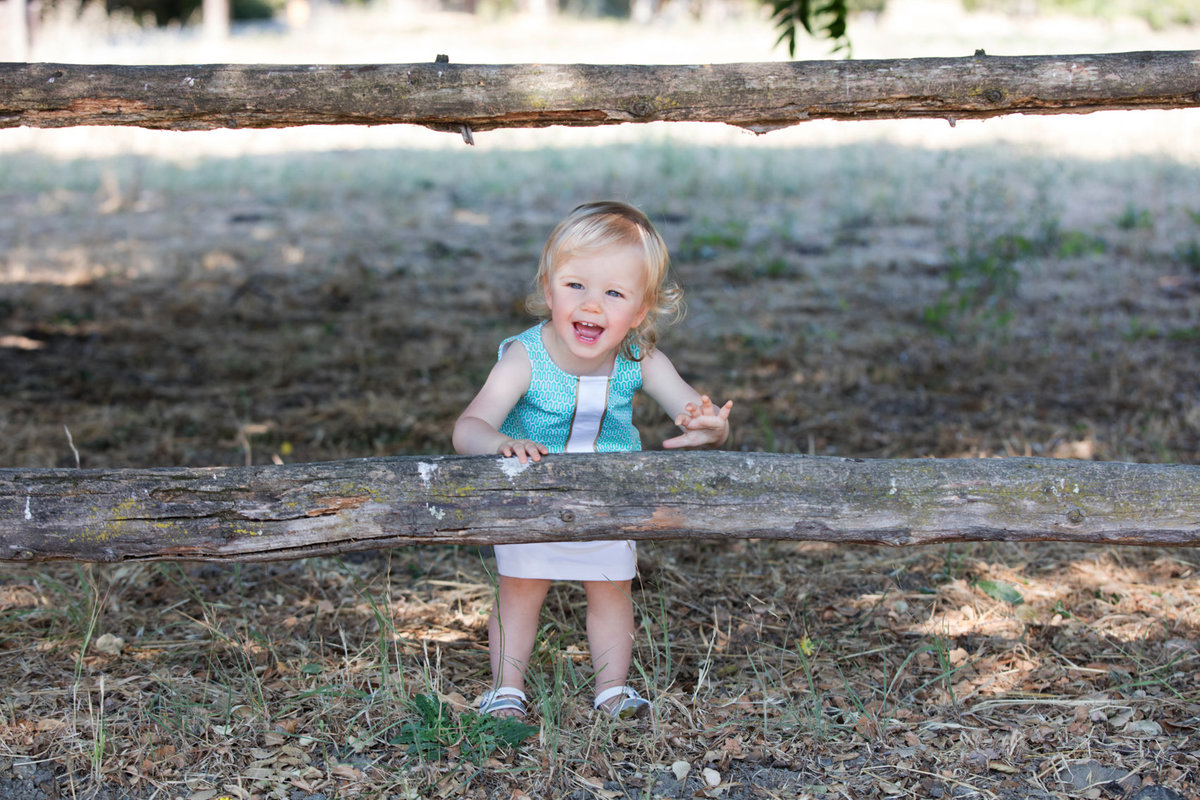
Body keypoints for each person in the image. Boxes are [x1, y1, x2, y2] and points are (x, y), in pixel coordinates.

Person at [452, 201, 733, 720]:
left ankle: (612, 691)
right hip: (531, 494)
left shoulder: (638, 358)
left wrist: (710, 427)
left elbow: (691, 409)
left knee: (611, 591)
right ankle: (505, 689)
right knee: (520, 590)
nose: (592, 305)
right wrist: (497, 445)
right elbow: (467, 427)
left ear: (641, 311)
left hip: (609, 497)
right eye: (576, 285)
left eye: (615, 293)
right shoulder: (526, 356)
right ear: (548, 286)